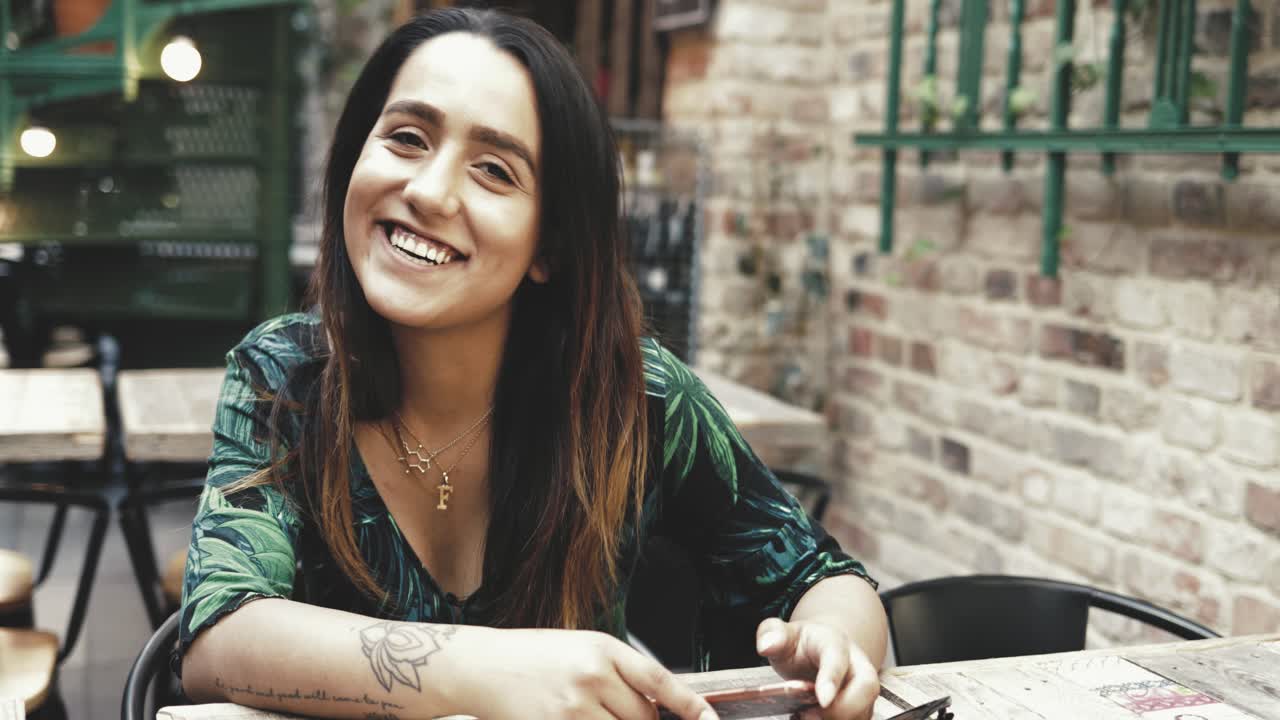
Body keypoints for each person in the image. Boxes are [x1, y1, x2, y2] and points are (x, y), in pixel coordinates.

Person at [175, 8, 887, 720]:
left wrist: (834, 647)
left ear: (549, 246)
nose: (428, 191)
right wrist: (487, 671)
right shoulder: (287, 376)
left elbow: (823, 576)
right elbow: (219, 638)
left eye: (493, 169)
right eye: (406, 138)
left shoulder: (635, 396)